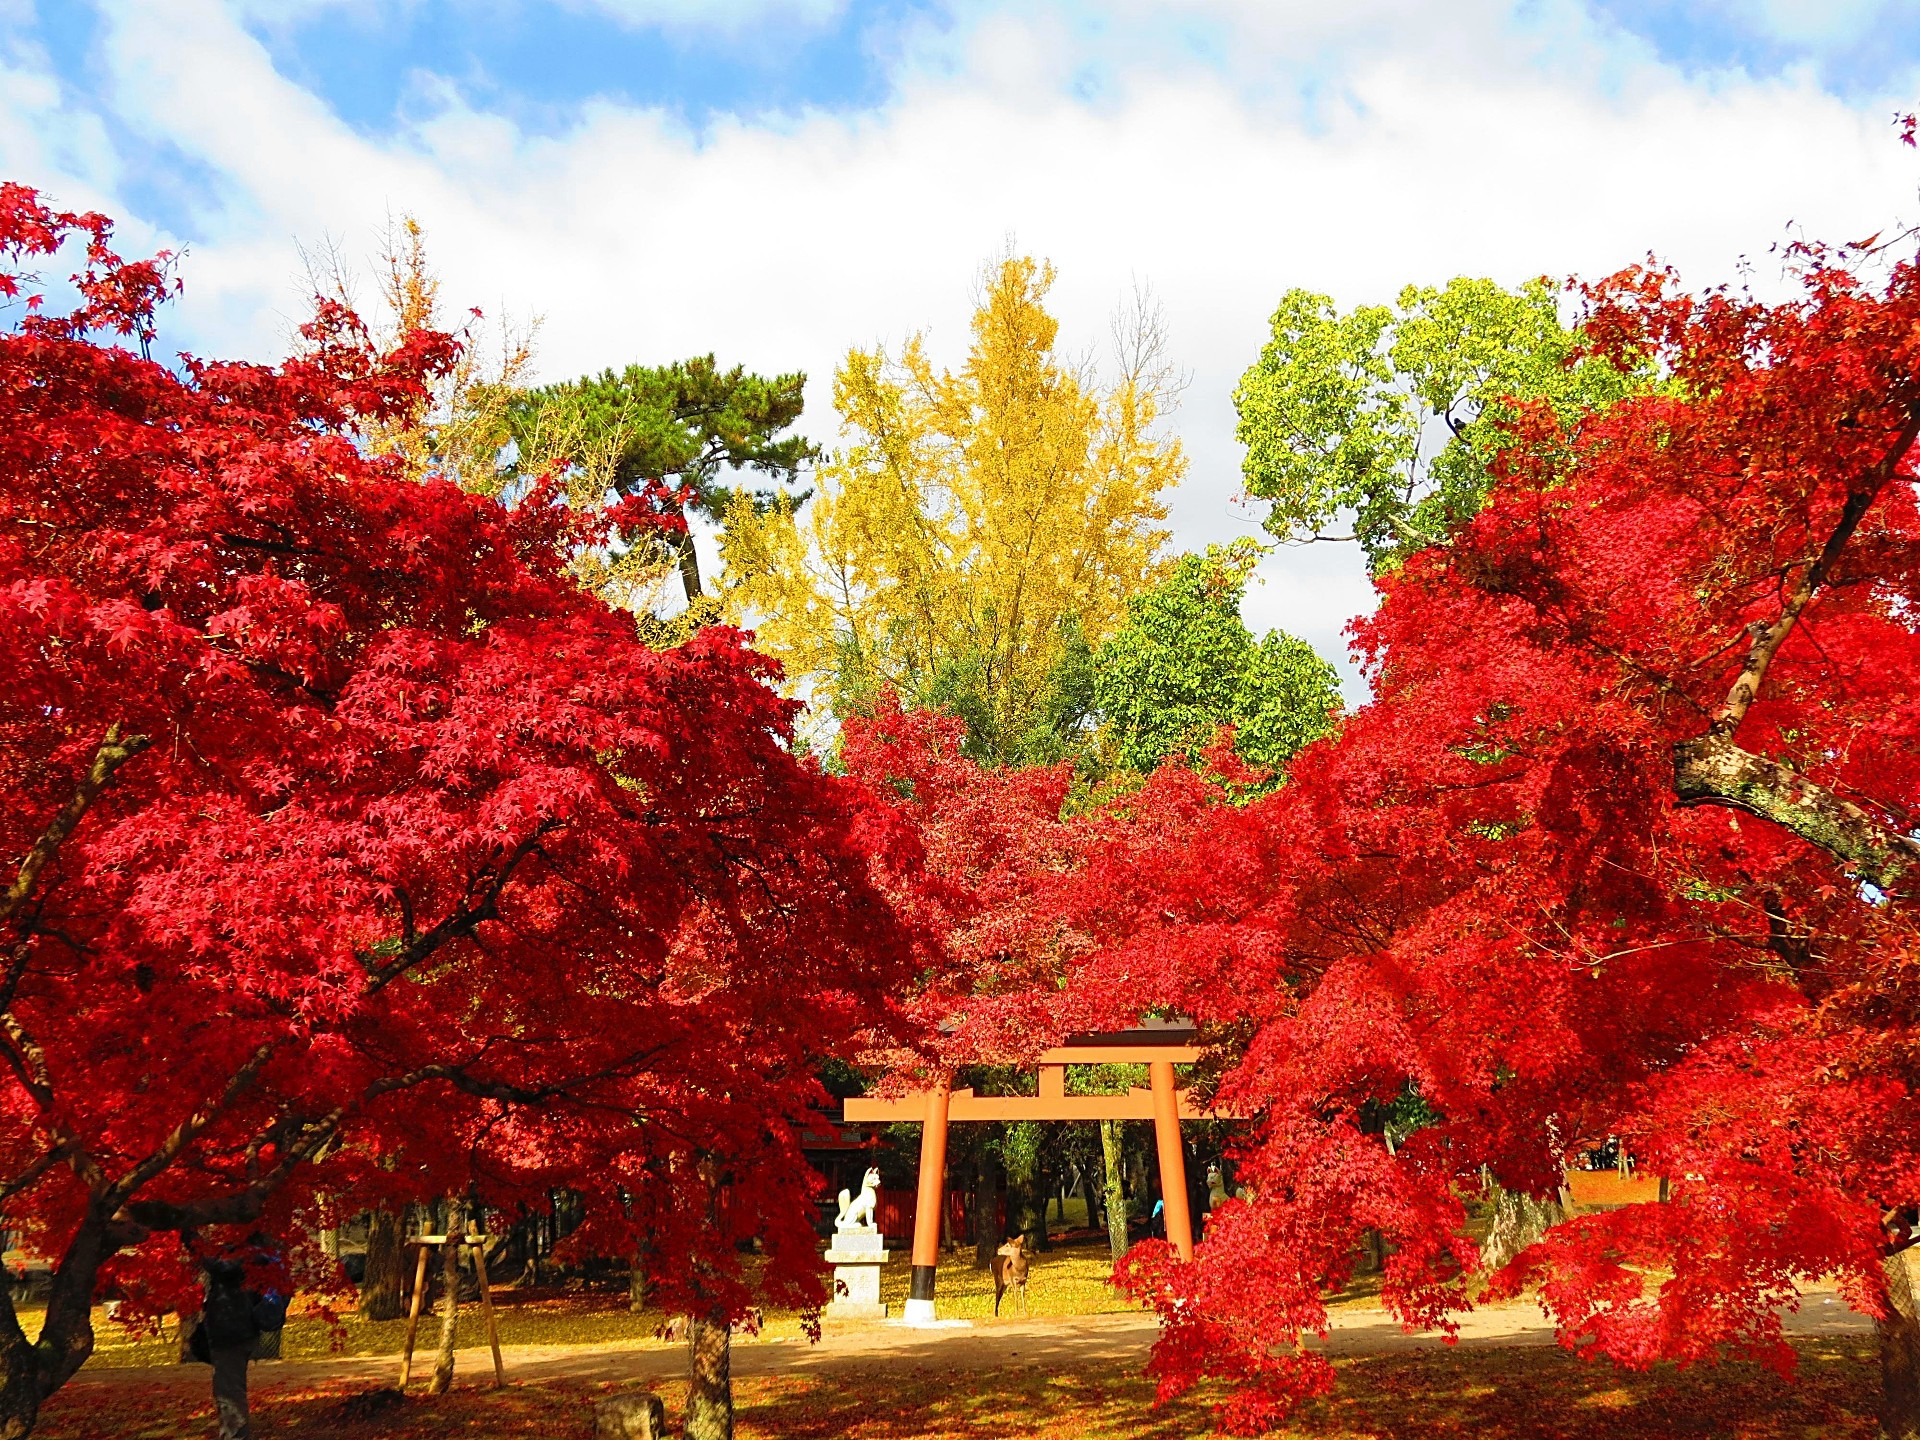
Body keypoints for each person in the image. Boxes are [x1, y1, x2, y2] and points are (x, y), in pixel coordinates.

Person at [189, 1240, 288, 1440]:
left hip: (232, 1331)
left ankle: (235, 1436)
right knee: (228, 1388)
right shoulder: (257, 1251)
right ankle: (234, 1433)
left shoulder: (247, 1254)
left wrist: (191, 1237)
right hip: (235, 1329)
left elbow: (219, 1266)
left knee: (229, 1391)